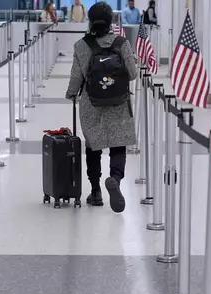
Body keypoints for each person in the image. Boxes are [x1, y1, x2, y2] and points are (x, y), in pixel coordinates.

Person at [65, 2, 137, 213]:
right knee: (118, 144)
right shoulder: (122, 43)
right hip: (119, 103)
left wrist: (71, 93)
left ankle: (95, 191)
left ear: (90, 20)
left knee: (93, 147)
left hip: (92, 103)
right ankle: (114, 178)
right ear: (111, 21)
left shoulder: (81, 46)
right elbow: (132, 74)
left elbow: (76, 77)